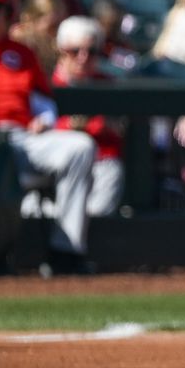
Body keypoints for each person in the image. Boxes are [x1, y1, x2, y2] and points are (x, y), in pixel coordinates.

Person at [0, 0, 97, 274]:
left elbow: (43, 103)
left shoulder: (21, 54)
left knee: (80, 147)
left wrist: (44, 121)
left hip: (19, 140)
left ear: (8, 13)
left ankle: (66, 250)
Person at [48, 16, 124, 223]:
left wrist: (85, 125)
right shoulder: (46, 82)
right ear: (61, 51)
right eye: (75, 51)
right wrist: (82, 125)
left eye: (91, 52)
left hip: (100, 161)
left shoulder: (108, 84)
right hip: (58, 163)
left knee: (110, 170)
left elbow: (117, 128)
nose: (83, 58)